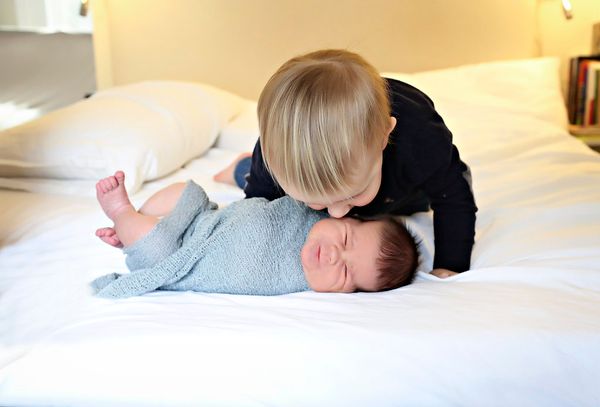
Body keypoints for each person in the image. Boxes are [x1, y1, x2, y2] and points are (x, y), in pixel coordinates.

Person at [213, 49, 477, 279]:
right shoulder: (273, 155)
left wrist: (449, 265)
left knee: (416, 203)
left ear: (384, 136)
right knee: (266, 187)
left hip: (404, 191)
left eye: (353, 195)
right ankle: (242, 168)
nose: (337, 213)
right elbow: (258, 210)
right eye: (316, 201)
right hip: (274, 174)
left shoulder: (421, 139)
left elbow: (452, 196)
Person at [91, 171, 419, 298]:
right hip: (205, 220)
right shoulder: (309, 206)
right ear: (344, 216)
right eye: (345, 239)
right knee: (185, 191)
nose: (334, 255)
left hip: (179, 259)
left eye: (346, 271)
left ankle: (122, 213)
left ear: (348, 292)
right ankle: (137, 223)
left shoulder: (294, 280)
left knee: (155, 245)